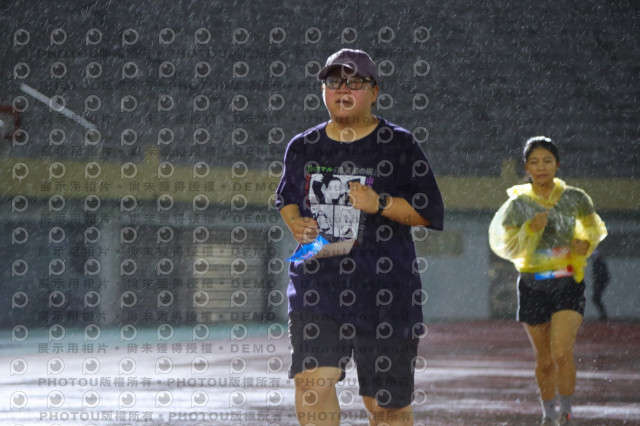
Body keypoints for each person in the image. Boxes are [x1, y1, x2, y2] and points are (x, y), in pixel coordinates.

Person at [275, 48, 444, 426]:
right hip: (318, 286)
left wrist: (380, 203)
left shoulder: (399, 144)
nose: (343, 89)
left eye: (355, 82)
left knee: (385, 407)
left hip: (386, 292)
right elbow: (286, 199)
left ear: (374, 91)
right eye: (334, 81)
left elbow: (428, 211)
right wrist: (295, 223)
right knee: (311, 382)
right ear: (323, 90)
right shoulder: (303, 146)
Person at [489, 136, 607, 425]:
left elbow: (594, 230)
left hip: (568, 282)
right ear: (526, 168)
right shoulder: (518, 205)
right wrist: (530, 228)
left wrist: (586, 243)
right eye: (534, 162)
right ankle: (548, 415)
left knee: (562, 353)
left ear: (557, 164)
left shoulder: (576, 198)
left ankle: (566, 414)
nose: (541, 167)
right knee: (543, 361)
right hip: (532, 285)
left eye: (547, 161)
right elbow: (507, 247)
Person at [590, 247, 610, 320]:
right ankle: (603, 315)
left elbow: (601, 274)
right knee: (596, 298)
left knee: (596, 298)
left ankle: (603, 315)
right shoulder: (598, 262)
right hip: (599, 282)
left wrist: (598, 281)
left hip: (600, 282)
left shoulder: (599, 263)